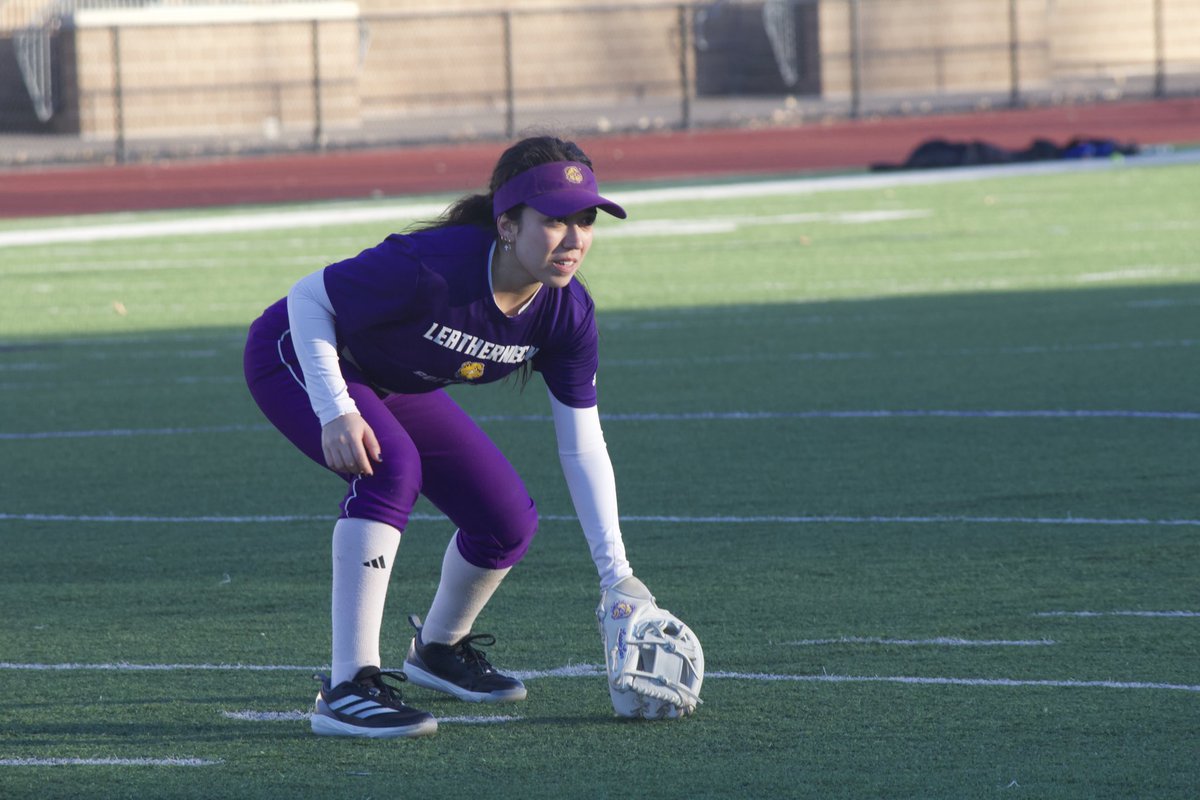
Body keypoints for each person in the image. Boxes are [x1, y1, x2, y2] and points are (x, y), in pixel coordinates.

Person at [243, 135, 651, 738]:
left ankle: (438, 650)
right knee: (391, 466)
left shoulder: (567, 313)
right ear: (507, 225)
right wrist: (335, 410)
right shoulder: (433, 266)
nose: (575, 239)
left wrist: (617, 576)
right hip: (300, 352)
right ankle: (348, 687)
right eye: (555, 221)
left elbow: (582, 444)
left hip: (389, 377)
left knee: (506, 522)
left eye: (585, 220)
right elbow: (309, 298)